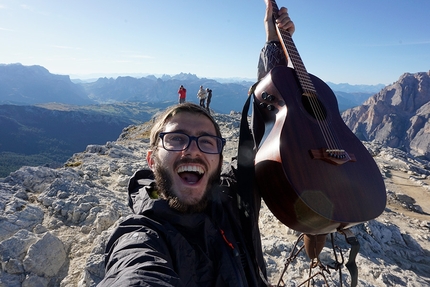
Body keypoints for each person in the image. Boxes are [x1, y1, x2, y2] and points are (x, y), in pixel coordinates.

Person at [99, 1, 294, 286]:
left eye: (206, 141)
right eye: (176, 138)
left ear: (218, 157)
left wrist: (273, 43)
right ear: (152, 160)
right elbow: (136, 273)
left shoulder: (231, 197)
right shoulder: (144, 235)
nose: (192, 149)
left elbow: (267, 126)